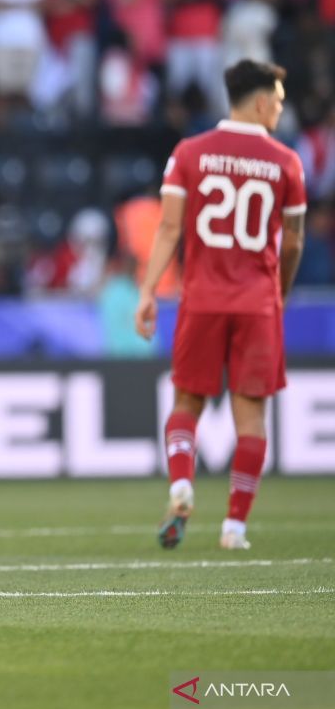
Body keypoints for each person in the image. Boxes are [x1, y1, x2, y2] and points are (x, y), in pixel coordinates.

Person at [136, 59, 306, 551]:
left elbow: (169, 228)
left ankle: (181, 484)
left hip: (203, 299)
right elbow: (292, 242)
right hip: (257, 302)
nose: (279, 107)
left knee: (187, 402)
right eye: (276, 99)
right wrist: (281, 291)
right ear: (258, 101)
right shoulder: (286, 161)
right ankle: (234, 527)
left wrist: (148, 292)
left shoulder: (190, 152)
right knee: (250, 416)